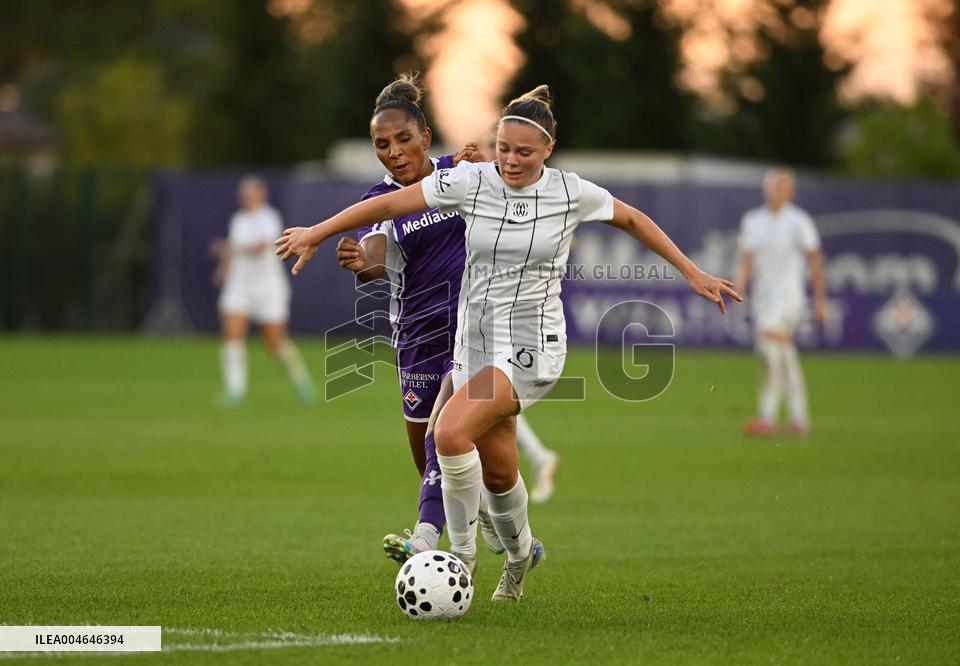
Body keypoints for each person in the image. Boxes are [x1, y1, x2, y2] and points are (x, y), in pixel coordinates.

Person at [276, 85, 741, 602]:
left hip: (530, 346)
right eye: (504, 149)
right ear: (493, 145)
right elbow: (388, 203)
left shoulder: (570, 191)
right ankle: (521, 559)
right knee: (498, 474)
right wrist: (317, 232)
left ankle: (457, 562)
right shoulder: (471, 181)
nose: (512, 161)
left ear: (548, 150)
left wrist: (692, 272)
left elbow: (631, 218)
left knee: (449, 434)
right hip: (470, 344)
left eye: (524, 152)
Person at [336, 74, 560, 570]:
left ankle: (425, 538)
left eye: (402, 140)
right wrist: (360, 259)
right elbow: (376, 256)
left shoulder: (457, 174)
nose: (393, 152)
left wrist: (489, 174)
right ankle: (503, 529)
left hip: (474, 334)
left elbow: (513, 203)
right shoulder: (381, 197)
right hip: (415, 335)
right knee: (429, 455)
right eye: (381, 144)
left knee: (446, 436)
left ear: (424, 136)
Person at [734, 168, 827, 437]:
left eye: (782, 185)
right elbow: (746, 261)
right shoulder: (752, 220)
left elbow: (815, 262)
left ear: (790, 191)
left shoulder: (799, 221)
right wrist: (739, 287)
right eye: (774, 185)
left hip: (789, 295)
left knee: (770, 348)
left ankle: (768, 417)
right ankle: (798, 417)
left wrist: (820, 299)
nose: (777, 190)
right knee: (779, 354)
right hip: (764, 296)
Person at [210, 176, 314, 407]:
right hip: (239, 287)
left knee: (275, 343)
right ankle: (234, 391)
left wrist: (231, 248)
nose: (246, 198)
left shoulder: (269, 217)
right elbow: (234, 253)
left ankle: (301, 380)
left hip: (269, 289)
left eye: (251, 194)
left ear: (261, 195)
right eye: (244, 194)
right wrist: (223, 270)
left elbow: (260, 247)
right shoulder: (237, 220)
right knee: (232, 335)